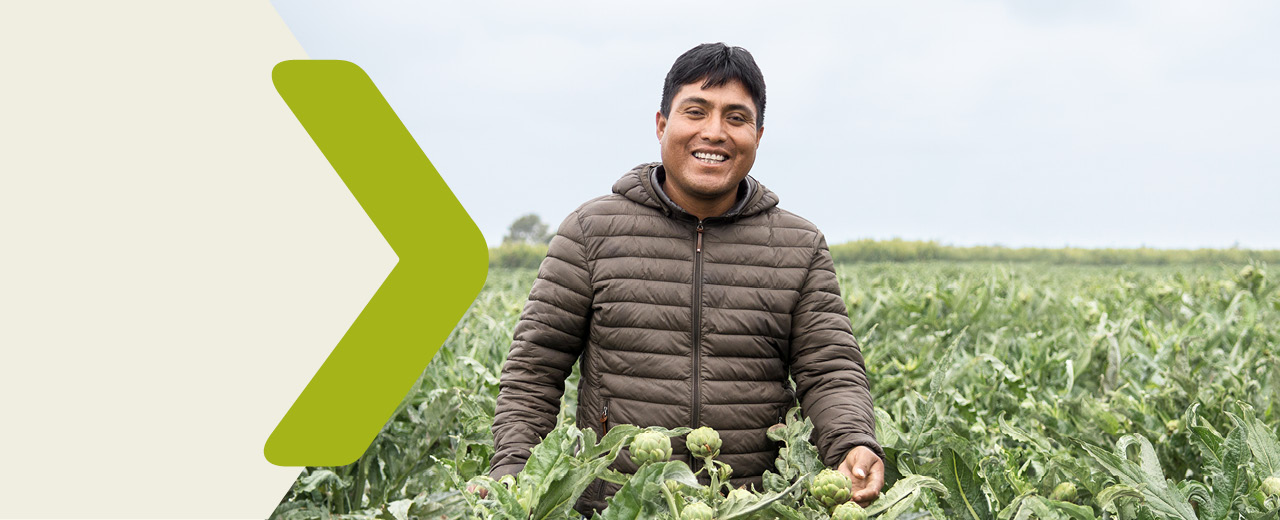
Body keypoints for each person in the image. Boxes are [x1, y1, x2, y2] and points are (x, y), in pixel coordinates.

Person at [486, 42, 884, 514]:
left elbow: (830, 370)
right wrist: (512, 474)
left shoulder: (798, 246)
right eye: (695, 111)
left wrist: (853, 443)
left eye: (736, 118)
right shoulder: (591, 232)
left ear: (758, 134)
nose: (714, 132)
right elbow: (534, 372)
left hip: (752, 506)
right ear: (661, 124)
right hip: (617, 507)